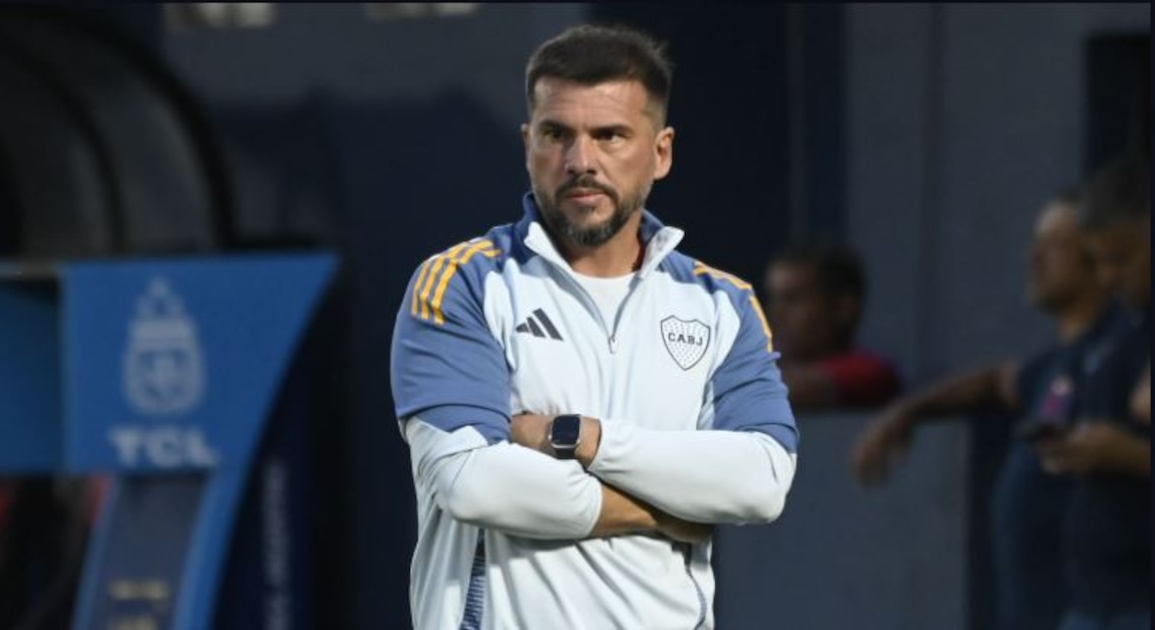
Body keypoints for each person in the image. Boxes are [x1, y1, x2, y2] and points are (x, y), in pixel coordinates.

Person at [390, 25, 797, 629]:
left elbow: (761, 480)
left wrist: (581, 438)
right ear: (528, 144)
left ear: (660, 152)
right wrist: (660, 509)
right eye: (557, 134)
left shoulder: (722, 303)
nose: (581, 162)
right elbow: (470, 483)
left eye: (610, 135)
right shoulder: (461, 283)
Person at [849, 191, 1112, 630]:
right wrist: (905, 412)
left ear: (1099, 254)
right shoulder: (1053, 366)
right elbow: (992, 381)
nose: (1035, 257)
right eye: (1035, 242)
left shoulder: (1113, 354)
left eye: (1055, 244)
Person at [1037, 156, 1150, 630]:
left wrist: (1132, 456)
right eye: (1097, 260)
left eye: (1121, 258)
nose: (1107, 277)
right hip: (1094, 598)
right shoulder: (1120, 331)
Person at [764, 243, 901, 409]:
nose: (777, 313)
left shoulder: (870, 372)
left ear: (842, 309)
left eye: (793, 300)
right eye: (774, 299)